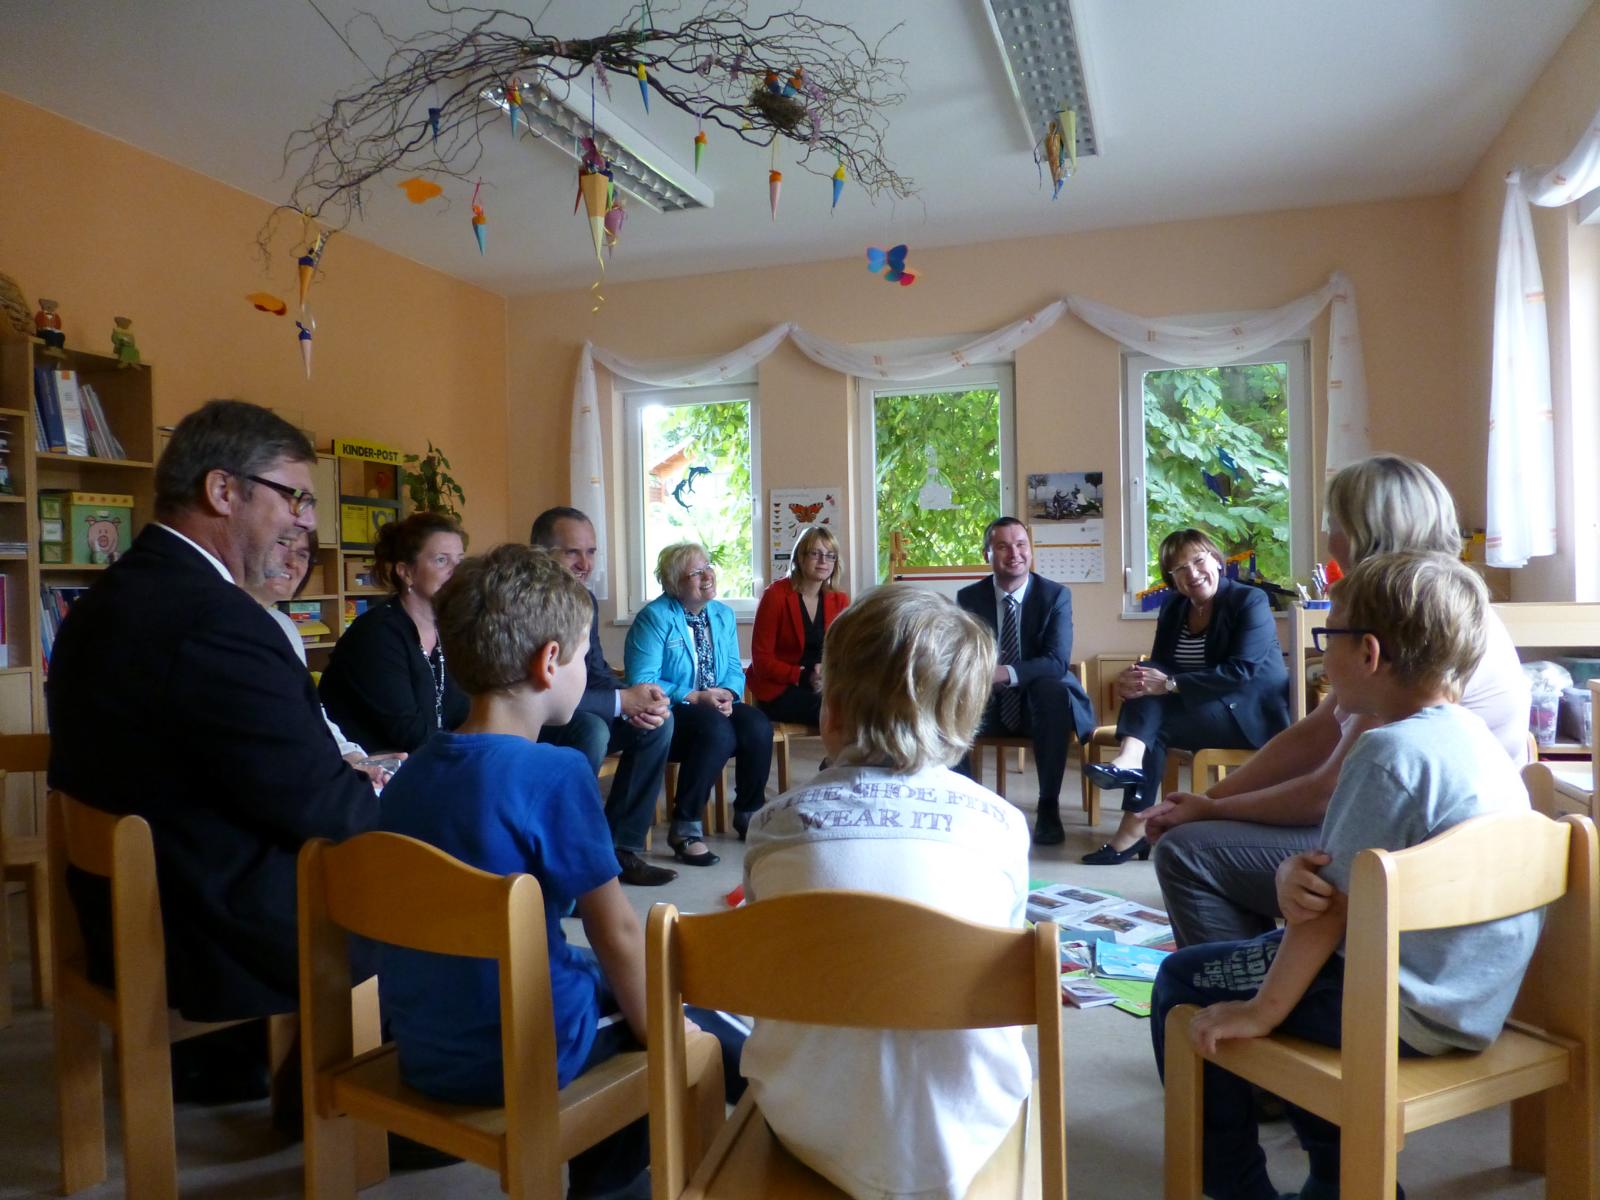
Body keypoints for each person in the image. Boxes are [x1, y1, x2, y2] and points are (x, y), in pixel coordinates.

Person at [1149, 551, 1540, 1200]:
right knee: (1278, 971)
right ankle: (1339, 1178)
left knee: (1181, 982)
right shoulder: (1478, 741)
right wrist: (1290, 886)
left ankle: (1235, 1187)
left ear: (1370, 654)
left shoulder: (1385, 753)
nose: (1319, 658)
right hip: (1473, 997)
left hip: (1399, 1005)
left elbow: (1322, 915)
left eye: (1327, 638)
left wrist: (1259, 1011)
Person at [377, 545, 746, 1197]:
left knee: (613, 987)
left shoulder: (410, 775)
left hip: (426, 1043)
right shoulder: (554, 773)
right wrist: (669, 1030)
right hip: (522, 1046)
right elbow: (619, 935)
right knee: (698, 1018)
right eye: (583, 656)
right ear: (550, 663)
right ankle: (618, 1185)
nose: (589, 671)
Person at [46, 399, 378, 1031]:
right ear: (223, 490)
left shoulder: (102, 600)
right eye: (294, 499)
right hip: (207, 929)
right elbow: (324, 807)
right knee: (448, 891)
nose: (302, 524)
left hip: (118, 904)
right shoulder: (220, 623)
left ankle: (253, 1064)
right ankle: (395, 1106)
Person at [1146, 455, 1531, 946]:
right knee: (1206, 835)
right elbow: (1316, 733)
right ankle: (1268, 978)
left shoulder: (1414, 626)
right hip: (1412, 836)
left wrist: (1206, 812)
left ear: (1364, 531)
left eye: (1334, 523)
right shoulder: (1428, 604)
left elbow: (1326, 792)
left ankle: (1251, 993)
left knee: (1188, 851)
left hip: (1430, 859)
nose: (1328, 538)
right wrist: (1209, 800)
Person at [742, 585, 1031, 1200]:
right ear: (965, 717)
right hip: (967, 1131)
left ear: (833, 710)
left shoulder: (772, 826)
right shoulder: (1004, 827)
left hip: (807, 1127)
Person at [1080, 529, 1290, 865]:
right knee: (1145, 686)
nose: (1192, 573)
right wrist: (1137, 679)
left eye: (1198, 560)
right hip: (1202, 705)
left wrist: (1168, 684)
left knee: (1155, 724)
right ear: (1171, 580)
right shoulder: (1175, 606)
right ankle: (1131, 769)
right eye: (1179, 569)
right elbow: (1161, 663)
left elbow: (1241, 672)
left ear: (1217, 561)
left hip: (1248, 713)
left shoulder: (1248, 601)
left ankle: (1133, 821)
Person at [529, 506, 677, 887]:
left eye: (592, 552)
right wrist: (618, 703)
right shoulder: (524, 603)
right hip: (534, 717)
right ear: (542, 554)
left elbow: (595, 672)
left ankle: (618, 850)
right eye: (572, 552)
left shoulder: (586, 602)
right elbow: (534, 685)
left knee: (657, 723)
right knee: (592, 730)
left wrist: (634, 698)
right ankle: (568, 859)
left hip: (580, 709)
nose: (585, 563)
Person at [624, 542, 773, 868]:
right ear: (676, 582)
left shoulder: (722, 614)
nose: (708, 576)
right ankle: (686, 827)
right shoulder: (655, 617)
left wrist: (728, 696)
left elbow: (734, 668)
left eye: (708, 567)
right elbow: (642, 680)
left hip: (713, 704)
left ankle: (749, 813)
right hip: (671, 712)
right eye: (696, 572)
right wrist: (694, 696)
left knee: (758, 726)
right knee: (717, 732)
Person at [954, 517, 1094, 845]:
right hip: (988, 705)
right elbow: (962, 654)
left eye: (1021, 545)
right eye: (1002, 546)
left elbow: (1057, 661)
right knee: (950, 697)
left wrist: (1005, 673)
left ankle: (1048, 807)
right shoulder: (969, 598)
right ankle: (966, 803)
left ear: (1030, 551)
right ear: (987, 553)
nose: (1014, 553)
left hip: (1040, 709)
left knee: (1051, 690)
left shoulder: (1055, 595)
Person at [319, 512, 469, 754]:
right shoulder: (376, 635)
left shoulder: (449, 629)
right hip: (370, 778)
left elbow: (465, 713)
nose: (456, 571)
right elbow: (409, 734)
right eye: (442, 560)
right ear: (406, 572)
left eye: (459, 561)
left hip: (422, 766)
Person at [245, 528, 376, 769]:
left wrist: (353, 757)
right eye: (282, 545)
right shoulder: (223, 624)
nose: (292, 562)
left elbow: (310, 709)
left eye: (303, 554)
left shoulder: (283, 624)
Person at [749, 525, 850, 727]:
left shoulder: (839, 600)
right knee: (841, 713)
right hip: (780, 688)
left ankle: (852, 759)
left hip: (823, 684)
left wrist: (829, 673)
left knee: (870, 704)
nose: (823, 561)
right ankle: (843, 759)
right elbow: (762, 660)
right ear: (800, 557)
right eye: (815, 553)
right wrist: (804, 676)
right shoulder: (775, 596)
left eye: (830, 556)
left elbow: (845, 652)